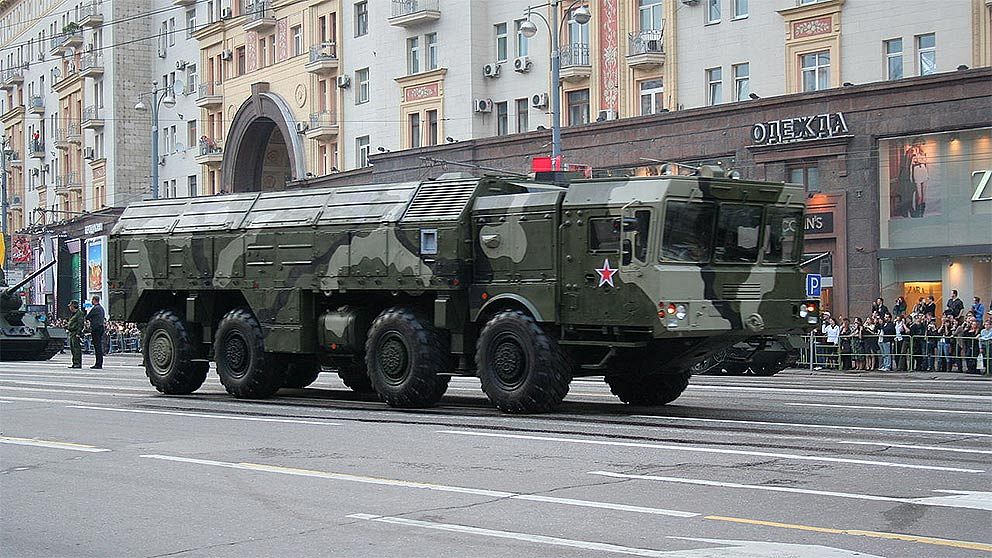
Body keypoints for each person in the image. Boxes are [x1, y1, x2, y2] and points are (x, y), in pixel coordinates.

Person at [85, 295, 106, 369]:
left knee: (97, 347)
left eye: (92, 300)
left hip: (96, 328)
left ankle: (98, 363)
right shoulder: (101, 308)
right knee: (98, 346)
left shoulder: (95, 308)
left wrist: (90, 320)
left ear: (94, 300)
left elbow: (87, 316)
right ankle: (99, 363)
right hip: (100, 328)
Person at [66, 300, 85, 368]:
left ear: (73, 306)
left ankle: (77, 363)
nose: (69, 307)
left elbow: (80, 324)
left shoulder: (79, 314)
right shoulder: (74, 314)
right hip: (72, 333)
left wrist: (78, 333)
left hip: (75, 333)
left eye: (70, 306)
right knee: (73, 349)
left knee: (76, 349)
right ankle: (74, 362)